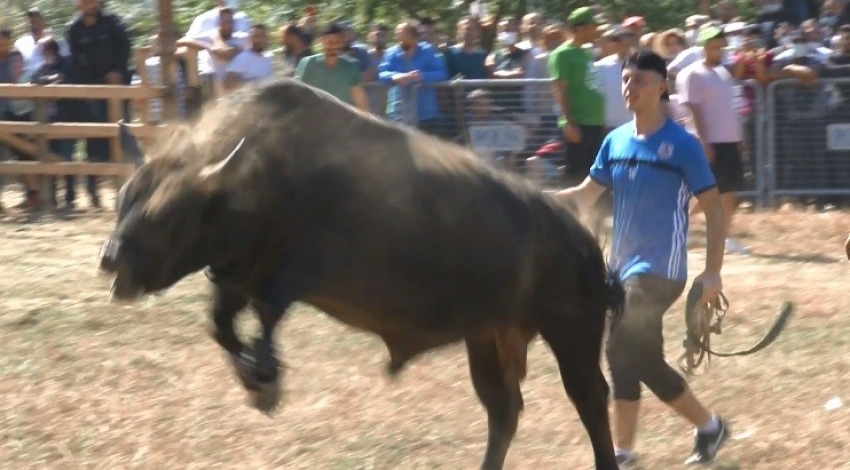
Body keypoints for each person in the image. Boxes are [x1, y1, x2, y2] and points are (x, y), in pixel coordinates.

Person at [556, 49, 730, 467]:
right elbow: (584, 195)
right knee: (632, 358)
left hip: (661, 270)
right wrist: (529, 198)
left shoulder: (682, 145)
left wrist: (712, 273)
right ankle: (678, 436)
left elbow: (714, 209)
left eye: (640, 80)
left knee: (621, 349)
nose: (631, 87)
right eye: (626, 80)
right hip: (620, 269)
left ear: (662, 85)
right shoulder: (614, 141)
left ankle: (644, 446)